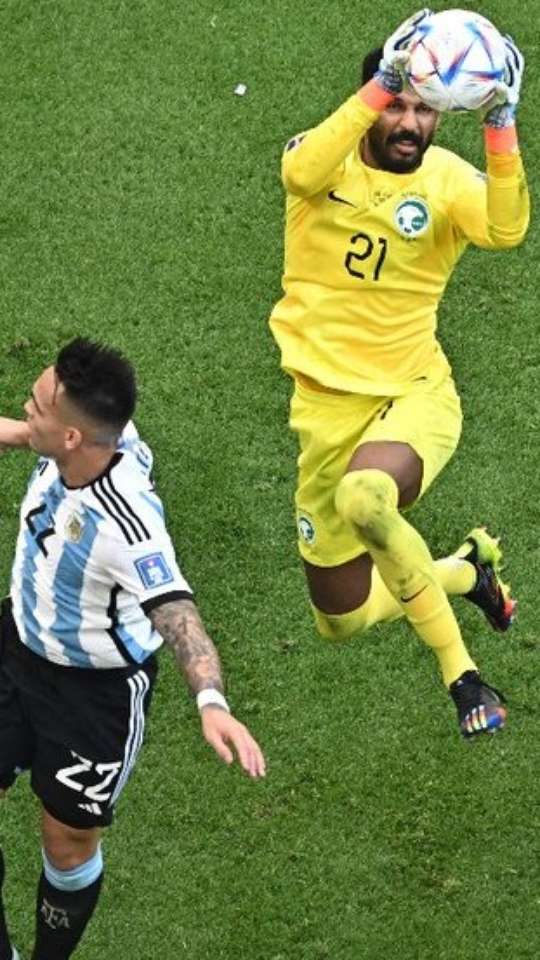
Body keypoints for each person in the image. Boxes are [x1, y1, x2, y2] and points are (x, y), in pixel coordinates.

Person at [269, 9, 529, 739]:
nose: (411, 122)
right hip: (324, 410)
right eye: (400, 104)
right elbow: (297, 170)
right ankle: (463, 573)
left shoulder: (447, 182)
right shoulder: (324, 162)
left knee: (366, 497)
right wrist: (385, 82)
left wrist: (501, 122)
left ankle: (464, 675)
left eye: (426, 108)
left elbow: (506, 230)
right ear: (376, 101)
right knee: (342, 620)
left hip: (413, 397)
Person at [0, 338, 266, 960]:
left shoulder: (126, 526)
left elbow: (177, 614)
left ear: (72, 439)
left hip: (92, 697)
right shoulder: (83, 442)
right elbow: (27, 435)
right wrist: (21, 431)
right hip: (15, 646)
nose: (26, 408)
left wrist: (211, 700)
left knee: (67, 840)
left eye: (38, 406)